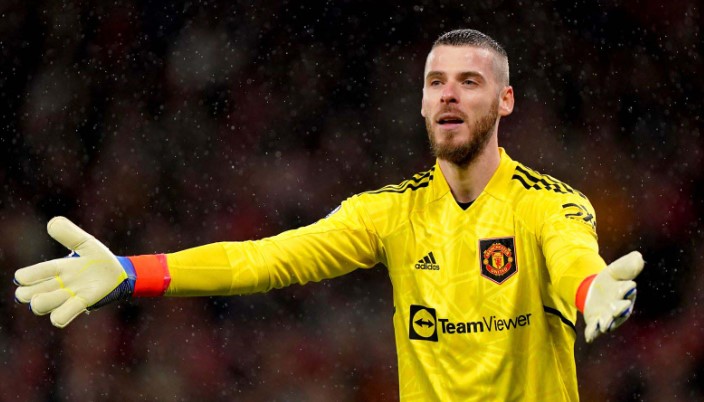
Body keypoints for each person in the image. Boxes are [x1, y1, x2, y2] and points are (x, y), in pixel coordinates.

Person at [14, 29, 643, 401]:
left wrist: (591, 290)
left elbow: (572, 259)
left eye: (469, 82)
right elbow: (264, 259)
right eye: (435, 82)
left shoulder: (547, 202)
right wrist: (133, 272)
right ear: (423, 102)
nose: (449, 93)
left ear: (505, 101)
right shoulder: (389, 213)